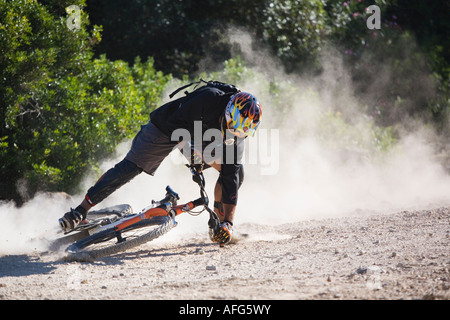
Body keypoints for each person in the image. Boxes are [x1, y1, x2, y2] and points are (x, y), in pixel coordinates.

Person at [59, 81, 262, 245]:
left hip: (203, 138)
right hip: (167, 126)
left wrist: (229, 222)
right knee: (131, 167)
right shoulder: (209, 98)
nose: (236, 132)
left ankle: (218, 226)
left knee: (234, 172)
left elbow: (232, 178)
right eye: (234, 125)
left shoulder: (238, 134)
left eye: (242, 131)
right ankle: (80, 210)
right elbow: (175, 123)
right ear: (229, 112)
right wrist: (192, 151)